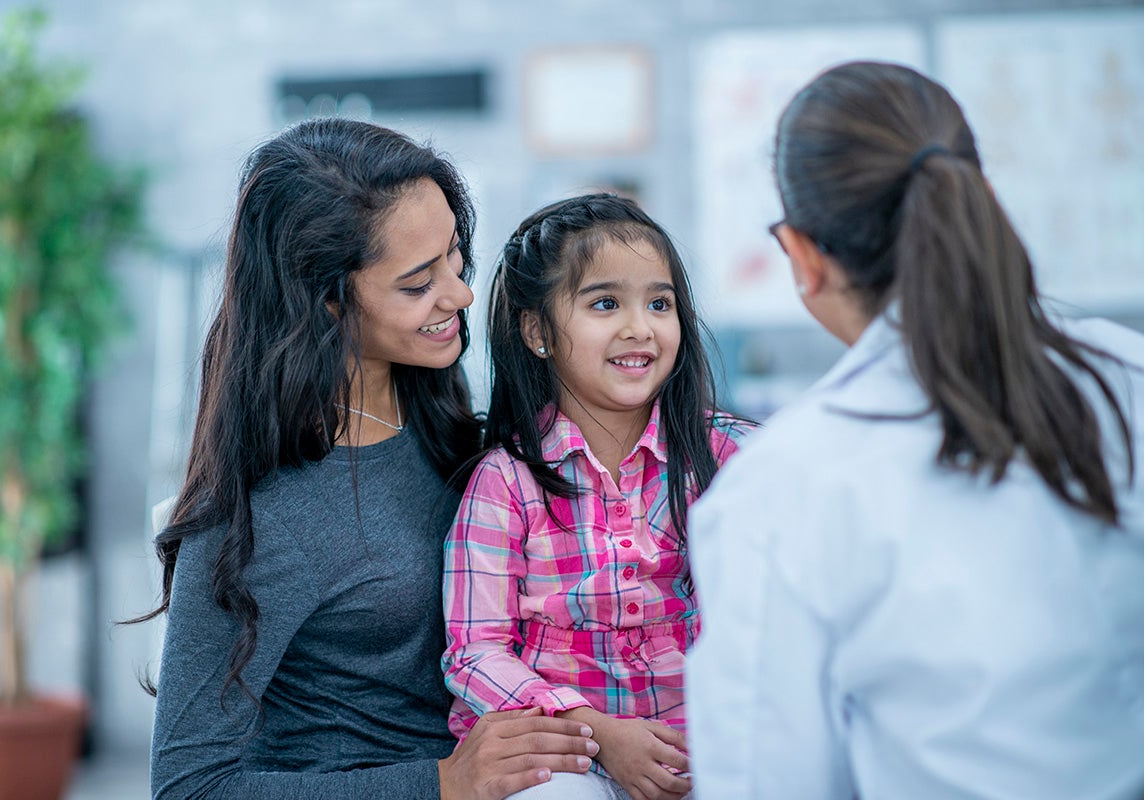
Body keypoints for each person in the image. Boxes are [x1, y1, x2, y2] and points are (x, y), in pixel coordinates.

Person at [687, 60, 1144, 800]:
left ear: (802, 258)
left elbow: (762, 780)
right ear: (986, 199)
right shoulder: (1128, 379)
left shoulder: (784, 488)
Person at [140, 118, 598, 800]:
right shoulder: (259, 516)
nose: (461, 294)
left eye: (455, 258)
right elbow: (189, 788)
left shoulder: (435, 413)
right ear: (324, 300)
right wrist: (439, 783)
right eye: (418, 284)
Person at [441, 194, 756, 800]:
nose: (640, 327)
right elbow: (474, 651)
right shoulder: (506, 481)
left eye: (659, 303)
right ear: (537, 331)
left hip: (706, 749)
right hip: (564, 752)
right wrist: (598, 732)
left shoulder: (727, 459)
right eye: (606, 303)